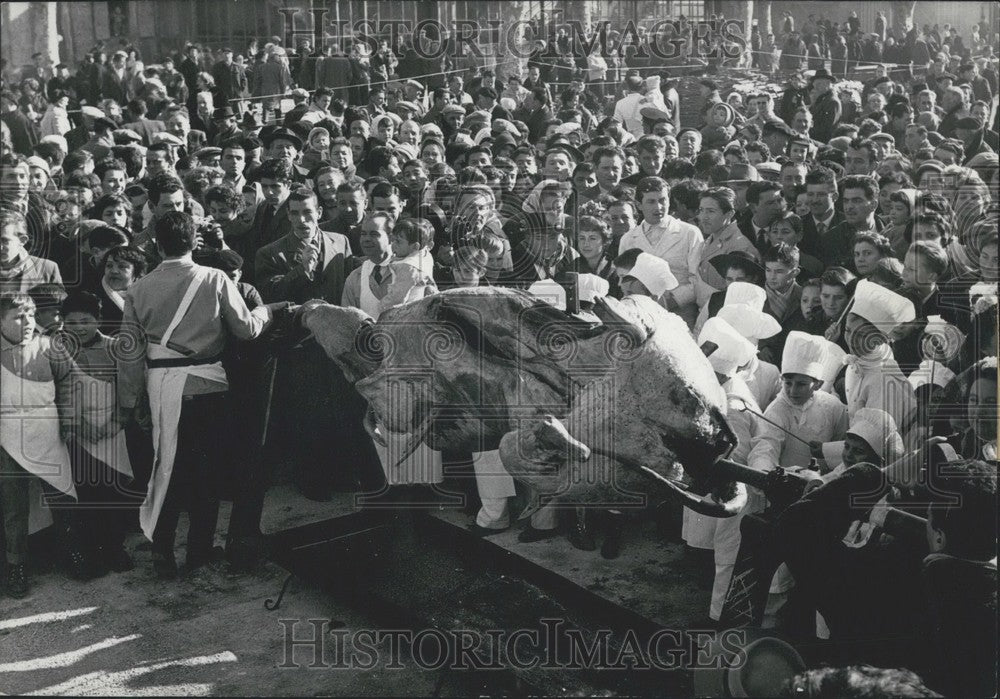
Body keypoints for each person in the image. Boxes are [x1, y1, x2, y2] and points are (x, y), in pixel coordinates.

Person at [117, 211, 280, 578]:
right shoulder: (215, 278)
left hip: (161, 388)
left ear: (157, 245)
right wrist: (265, 310)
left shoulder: (138, 289)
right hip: (208, 387)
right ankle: (199, 553)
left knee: (166, 469)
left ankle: (162, 550)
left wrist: (133, 401)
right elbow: (246, 331)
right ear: (194, 243)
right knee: (206, 473)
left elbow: (130, 354)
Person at [0, 291, 80, 597]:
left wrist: (69, 420)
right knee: (13, 505)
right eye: (19, 316)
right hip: (7, 432)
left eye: (32, 315)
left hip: (47, 427)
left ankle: (72, 552)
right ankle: (16, 566)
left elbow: (70, 384)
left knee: (61, 494)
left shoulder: (50, 347)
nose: (28, 322)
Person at [616, 177, 703, 326]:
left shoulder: (689, 233)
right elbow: (623, 279)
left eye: (663, 200)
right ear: (639, 205)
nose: (659, 207)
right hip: (641, 317)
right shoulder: (628, 239)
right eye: (651, 202)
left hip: (680, 316)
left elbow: (698, 280)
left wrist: (671, 300)